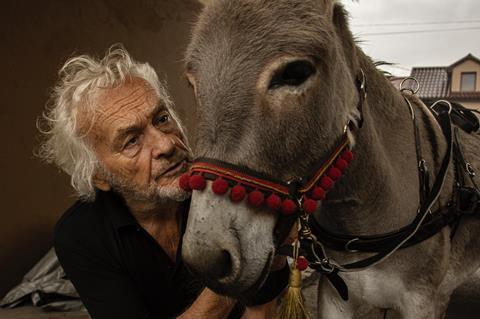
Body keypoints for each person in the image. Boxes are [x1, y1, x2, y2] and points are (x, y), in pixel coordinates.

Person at [38, 45, 288, 319]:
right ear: (98, 175)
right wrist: (235, 268)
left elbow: (262, 308)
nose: (166, 144)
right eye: (132, 141)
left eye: (163, 118)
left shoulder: (223, 190)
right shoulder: (80, 235)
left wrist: (266, 245)